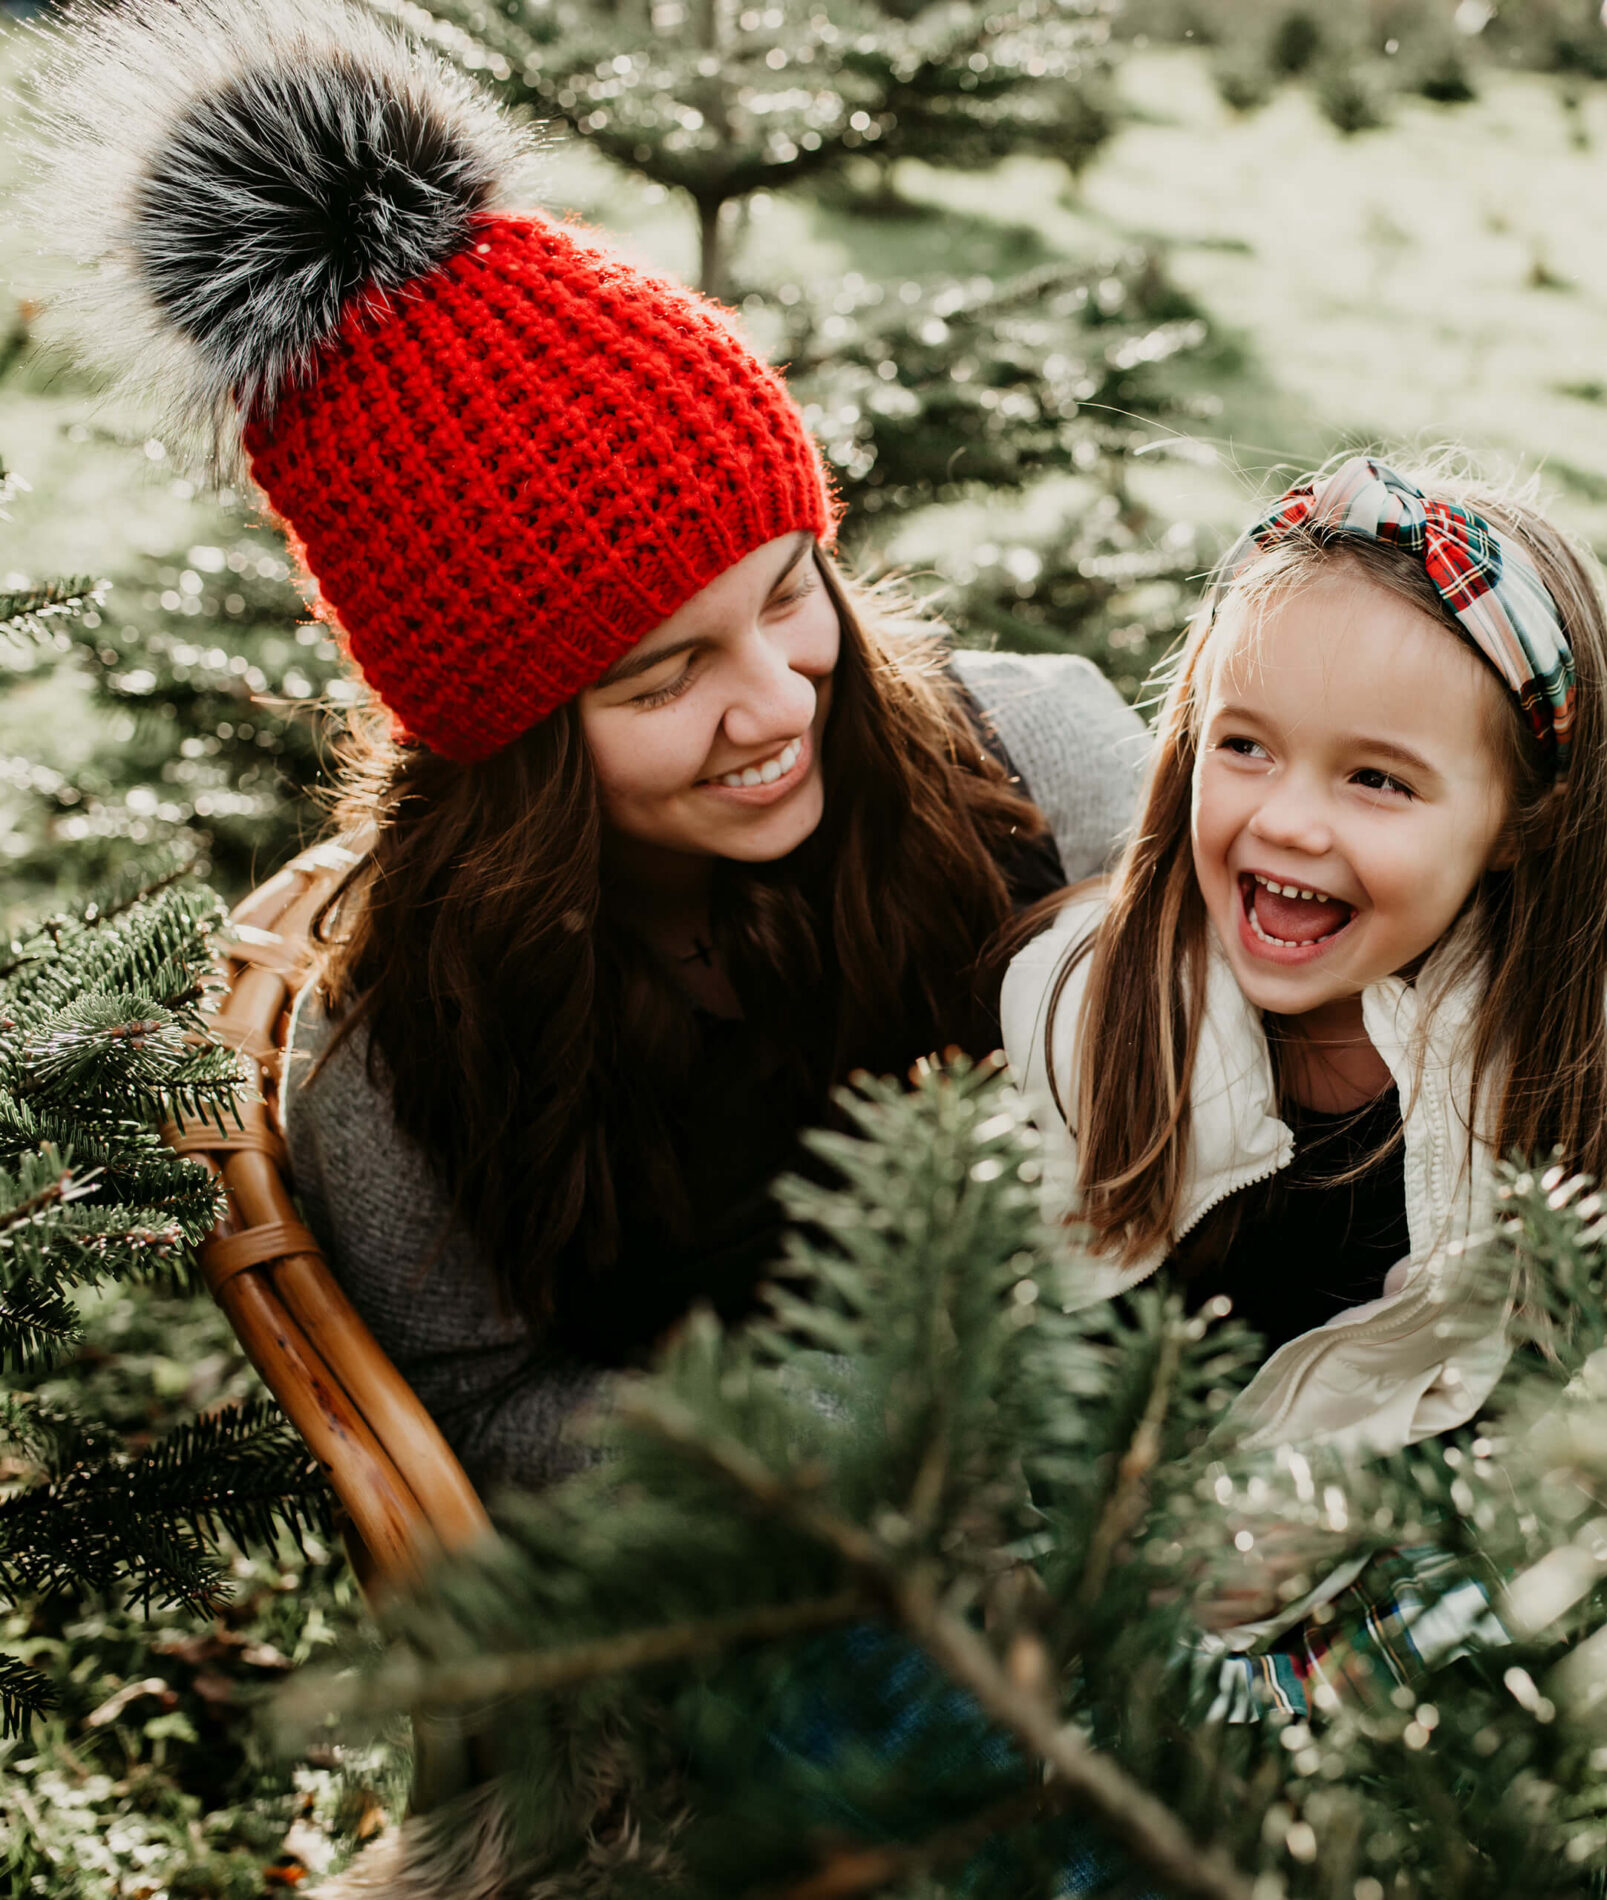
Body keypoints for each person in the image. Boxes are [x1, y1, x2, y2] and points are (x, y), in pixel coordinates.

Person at [37, 0, 1149, 1495]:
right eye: (660, 677)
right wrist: (805, 1457)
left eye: (785, 592)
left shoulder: (1043, 767)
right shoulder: (411, 1053)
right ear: (509, 744)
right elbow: (477, 1409)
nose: (776, 703)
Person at [1003, 455, 1607, 1460]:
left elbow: (1505, 1404)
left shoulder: (1565, 1063)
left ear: (1521, 822)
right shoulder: (1084, 1002)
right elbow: (1022, 1355)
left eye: (1375, 778)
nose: (1285, 820)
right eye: (1245, 747)